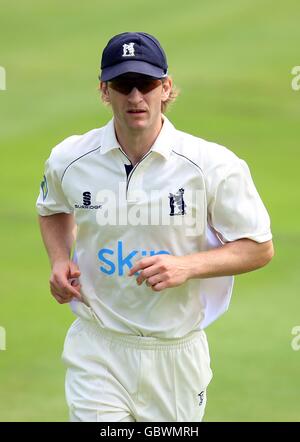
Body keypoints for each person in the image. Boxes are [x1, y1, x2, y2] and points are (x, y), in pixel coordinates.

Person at [36, 32, 274, 422]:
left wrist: (187, 266)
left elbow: (258, 247)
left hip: (174, 352)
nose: (134, 97)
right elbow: (51, 208)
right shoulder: (70, 159)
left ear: (165, 88)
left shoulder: (212, 165)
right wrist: (59, 259)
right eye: (122, 85)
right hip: (98, 344)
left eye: (145, 84)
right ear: (104, 91)